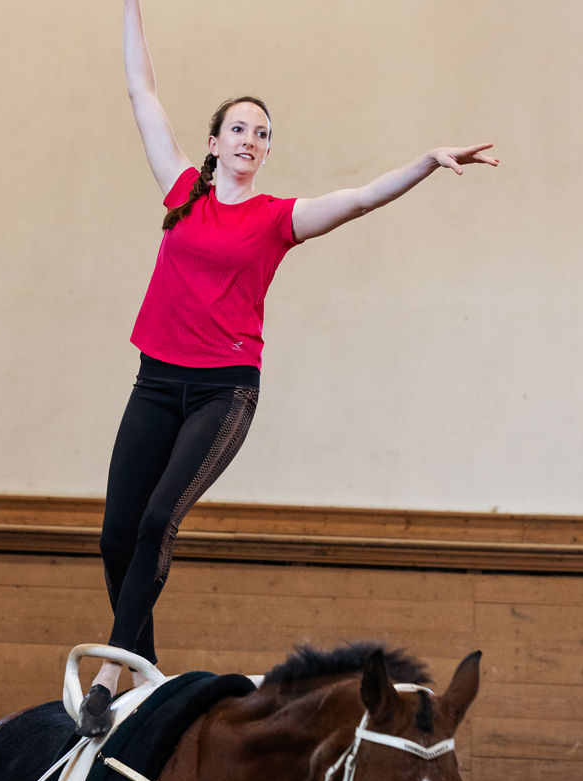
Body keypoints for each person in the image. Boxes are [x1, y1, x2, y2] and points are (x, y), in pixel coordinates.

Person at [77, 0, 499, 736]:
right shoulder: (182, 193)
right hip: (156, 379)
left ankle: (114, 672)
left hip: (225, 390)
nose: (251, 140)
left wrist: (427, 164)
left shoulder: (276, 217)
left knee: (155, 520)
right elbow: (142, 90)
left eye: (262, 134)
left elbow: (360, 198)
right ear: (213, 142)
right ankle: (148, 667)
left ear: (267, 151)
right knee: (116, 533)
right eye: (238, 128)